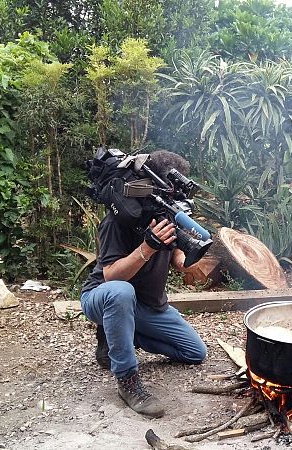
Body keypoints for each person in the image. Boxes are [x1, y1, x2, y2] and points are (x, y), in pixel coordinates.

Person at [80, 150, 207, 418]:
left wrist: (188, 262)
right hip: (103, 297)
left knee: (194, 352)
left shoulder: (165, 213)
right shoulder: (118, 221)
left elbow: (174, 254)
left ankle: (116, 336)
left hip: (147, 306)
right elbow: (111, 275)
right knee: (121, 292)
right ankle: (127, 380)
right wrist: (147, 247)